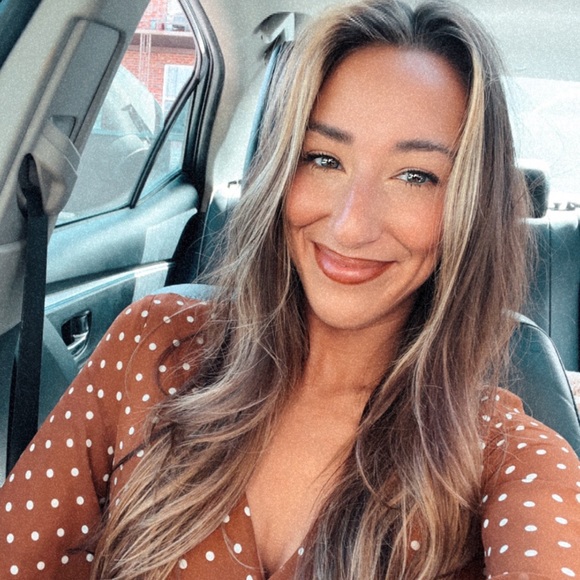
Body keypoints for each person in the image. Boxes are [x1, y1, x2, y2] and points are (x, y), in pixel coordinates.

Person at [2, 0, 579, 578]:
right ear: (281, 171)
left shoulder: (506, 457)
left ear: (470, 208)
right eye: (323, 159)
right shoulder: (151, 346)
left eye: (415, 176)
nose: (351, 225)